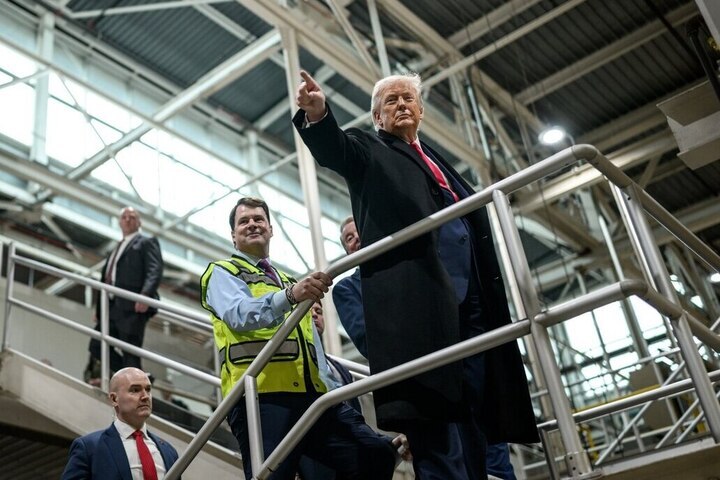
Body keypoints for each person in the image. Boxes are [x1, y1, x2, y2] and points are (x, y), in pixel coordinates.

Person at [294, 71, 538, 480]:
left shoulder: (438, 161)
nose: (402, 105)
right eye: (391, 101)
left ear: (421, 110)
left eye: (408, 98)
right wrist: (318, 115)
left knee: (476, 417)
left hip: (472, 305)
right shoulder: (370, 148)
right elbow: (336, 149)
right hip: (421, 306)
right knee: (437, 427)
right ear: (377, 117)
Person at [199, 197, 396, 480]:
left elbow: (312, 346)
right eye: (244, 221)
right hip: (262, 397)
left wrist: (332, 391)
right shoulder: (222, 272)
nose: (252, 224)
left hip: (313, 397)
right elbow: (239, 314)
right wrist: (290, 296)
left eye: (259, 219)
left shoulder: (288, 281)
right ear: (233, 235)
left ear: (270, 229)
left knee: (376, 454)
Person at [334, 218, 516, 480]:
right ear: (346, 251)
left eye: (359, 232)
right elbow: (367, 340)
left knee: (490, 458)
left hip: (458, 373)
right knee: (441, 465)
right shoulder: (348, 288)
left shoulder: (411, 267)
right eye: (349, 239)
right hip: (416, 385)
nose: (357, 240)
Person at [85, 207, 164, 382]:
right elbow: (106, 279)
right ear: (119, 222)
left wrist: (145, 295)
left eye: (132, 217)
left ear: (139, 222)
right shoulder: (117, 247)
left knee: (130, 351)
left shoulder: (146, 242)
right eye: (124, 217)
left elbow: (155, 270)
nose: (127, 220)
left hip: (132, 306)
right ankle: (139, 379)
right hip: (111, 307)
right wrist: (99, 309)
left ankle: (136, 382)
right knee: (96, 345)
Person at [62, 367, 179, 479]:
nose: (145, 397)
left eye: (148, 389)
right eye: (135, 390)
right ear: (114, 399)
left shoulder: (169, 451)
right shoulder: (89, 448)